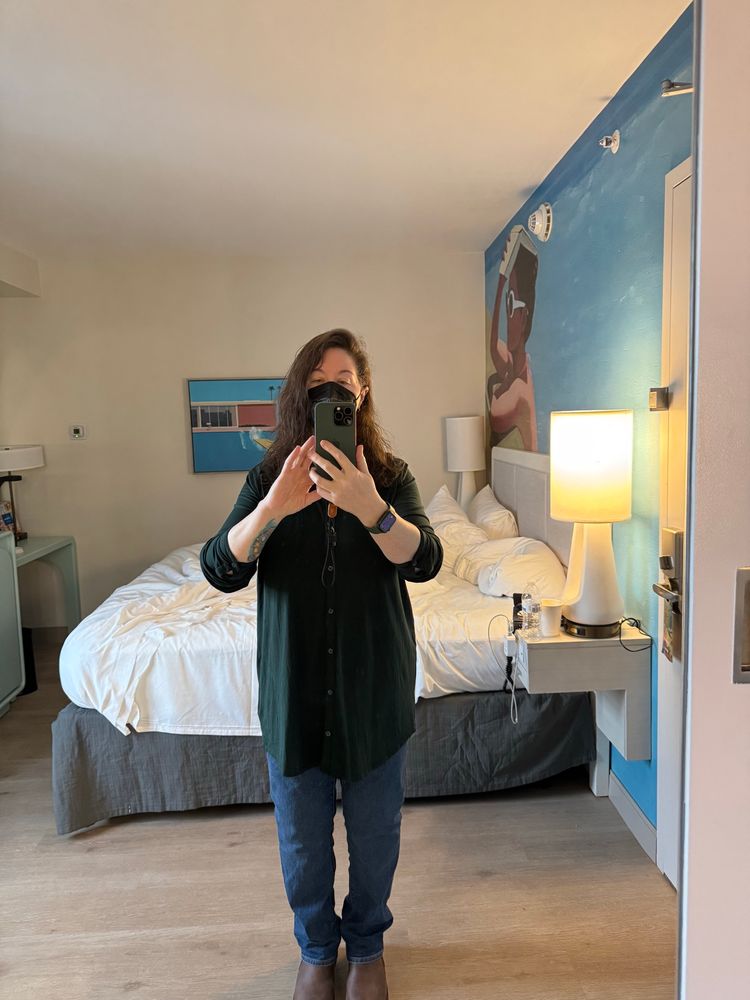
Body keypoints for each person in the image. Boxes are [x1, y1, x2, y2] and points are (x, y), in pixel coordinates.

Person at [200, 328, 443, 1000]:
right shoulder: (267, 478)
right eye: (318, 387)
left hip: (373, 693)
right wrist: (275, 508)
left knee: (374, 838)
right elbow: (220, 568)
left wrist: (373, 510)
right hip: (294, 696)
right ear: (299, 398)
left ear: (362, 395)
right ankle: (316, 947)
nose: (332, 394)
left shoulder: (390, 479)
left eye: (343, 384)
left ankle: (365, 947)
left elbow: (426, 562)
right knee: (302, 846)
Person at [486, 224, 539, 451]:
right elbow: (492, 347)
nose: (508, 317)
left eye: (512, 304)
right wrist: (500, 281)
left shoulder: (521, 392)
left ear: (525, 317)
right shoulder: (516, 362)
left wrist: (502, 281)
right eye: (508, 300)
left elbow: (496, 411)